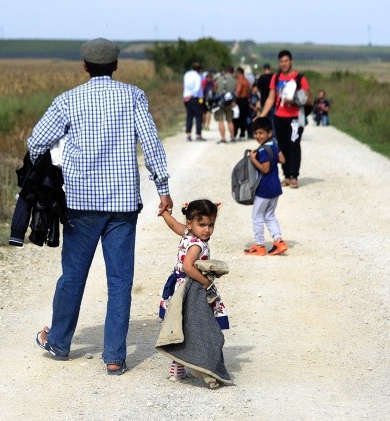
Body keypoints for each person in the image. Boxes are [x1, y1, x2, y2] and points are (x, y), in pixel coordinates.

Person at [29, 37, 173, 376]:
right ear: (116, 65)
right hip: (123, 204)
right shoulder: (133, 96)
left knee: (73, 276)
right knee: (120, 281)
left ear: (84, 66)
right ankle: (114, 357)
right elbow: (151, 143)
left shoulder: (67, 101)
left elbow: (36, 142)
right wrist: (163, 187)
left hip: (80, 204)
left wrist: (55, 167)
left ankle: (59, 343)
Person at [158, 200, 229, 382]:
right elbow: (188, 266)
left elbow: (174, 225)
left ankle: (177, 365)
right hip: (192, 288)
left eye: (210, 224)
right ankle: (193, 362)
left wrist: (164, 213)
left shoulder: (188, 233)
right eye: (202, 224)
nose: (206, 229)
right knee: (196, 324)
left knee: (181, 324)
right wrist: (207, 283)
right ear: (191, 223)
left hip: (177, 286)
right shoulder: (197, 244)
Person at [258, 50, 311, 189]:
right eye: (281, 61)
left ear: (291, 61)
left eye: (286, 61)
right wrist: (262, 114)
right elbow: (271, 98)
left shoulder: (299, 78)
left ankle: (294, 176)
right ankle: (286, 175)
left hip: (295, 118)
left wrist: (293, 100)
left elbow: (306, 97)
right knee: (282, 147)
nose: (284, 64)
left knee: (294, 145)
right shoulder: (275, 78)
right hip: (279, 117)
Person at [244, 117, 288, 256]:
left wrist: (252, 158)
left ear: (269, 133)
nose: (258, 136)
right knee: (269, 215)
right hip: (275, 188)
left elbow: (265, 169)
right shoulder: (274, 144)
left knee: (257, 216)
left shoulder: (262, 151)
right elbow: (282, 159)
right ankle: (278, 242)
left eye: (261, 133)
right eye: (256, 133)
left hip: (264, 190)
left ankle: (259, 245)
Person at [214, 65, 237, 144]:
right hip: (229, 102)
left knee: (221, 120)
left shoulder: (219, 79)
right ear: (232, 71)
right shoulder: (234, 80)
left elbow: (215, 88)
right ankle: (232, 137)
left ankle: (223, 138)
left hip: (220, 102)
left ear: (225, 70)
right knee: (230, 120)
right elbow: (236, 92)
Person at [183, 62, 205, 141]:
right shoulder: (197, 76)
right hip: (194, 98)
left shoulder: (187, 74)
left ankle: (188, 135)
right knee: (198, 116)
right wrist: (194, 95)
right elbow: (197, 88)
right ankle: (198, 134)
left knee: (189, 116)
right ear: (199, 69)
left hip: (186, 97)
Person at [235, 67, 251, 140]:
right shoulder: (247, 81)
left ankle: (235, 134)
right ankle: (242, 134)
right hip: (246, 100)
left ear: (239, 73)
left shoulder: (240, 81)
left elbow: (238, 91)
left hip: (240, 100)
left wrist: (235, 98)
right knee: (244, 118)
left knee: (237, 118)